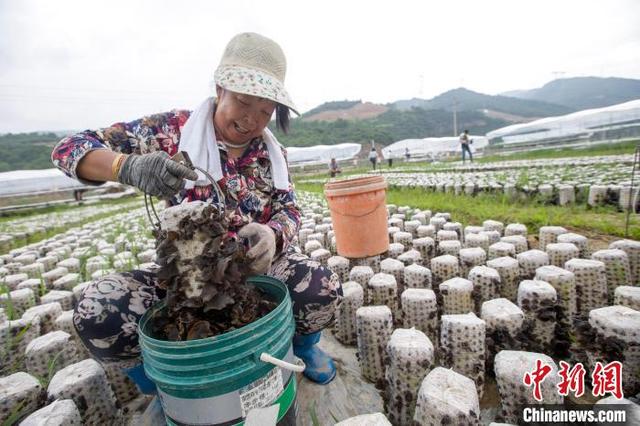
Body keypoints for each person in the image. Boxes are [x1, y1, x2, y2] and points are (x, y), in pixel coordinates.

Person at [51, 33, 342, 387]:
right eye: (243, 101)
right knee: (100, 311)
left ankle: (303, 346)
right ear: (220, 89)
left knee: (321, 287)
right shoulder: (170, 133)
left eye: (265, 110)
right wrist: (125, 167)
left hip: (256, 272)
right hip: (188, 279)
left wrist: (273, 235)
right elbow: (69, 148)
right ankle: (159, 384)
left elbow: (290, 210)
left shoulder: (272, 154)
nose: (252, 119)